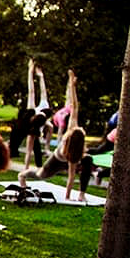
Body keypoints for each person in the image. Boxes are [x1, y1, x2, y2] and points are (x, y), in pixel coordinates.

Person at [18, 70, 93, 202]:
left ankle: (82, 193)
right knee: (40, 174)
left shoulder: (74, 146)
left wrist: (73, 85)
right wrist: (72, 85)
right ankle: (22, 174)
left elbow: (71, 176)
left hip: (65, 159)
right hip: (54, 162)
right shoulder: (71, 137)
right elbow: (74, 107)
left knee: (88, 160)